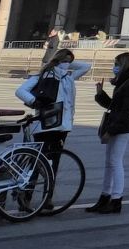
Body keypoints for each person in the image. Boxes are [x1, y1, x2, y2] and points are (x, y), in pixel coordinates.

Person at [15, 48, 92, 176]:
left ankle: (42, 185)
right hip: (52, 123)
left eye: (69, 62)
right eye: (65, 61)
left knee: (47, 158)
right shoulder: (46, 76)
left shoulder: (66, 77)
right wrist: (34, 102)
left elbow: (86, 66)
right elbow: (20, 91)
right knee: (45, 159)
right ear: (58, 60)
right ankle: (37, 185)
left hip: (57, 124)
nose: (67, 64)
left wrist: (65, 62)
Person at [88, 51, 129, 213]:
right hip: (117, 123)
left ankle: (116, 198)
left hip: (122, 126)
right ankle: (105, 196)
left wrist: (110, 131)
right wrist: (101, 94)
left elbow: (125, 111)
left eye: (117, 64)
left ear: (124, 65)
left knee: (115, 162)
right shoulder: (123, 81)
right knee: (110, 162)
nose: (114, 67)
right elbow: (114, 106)